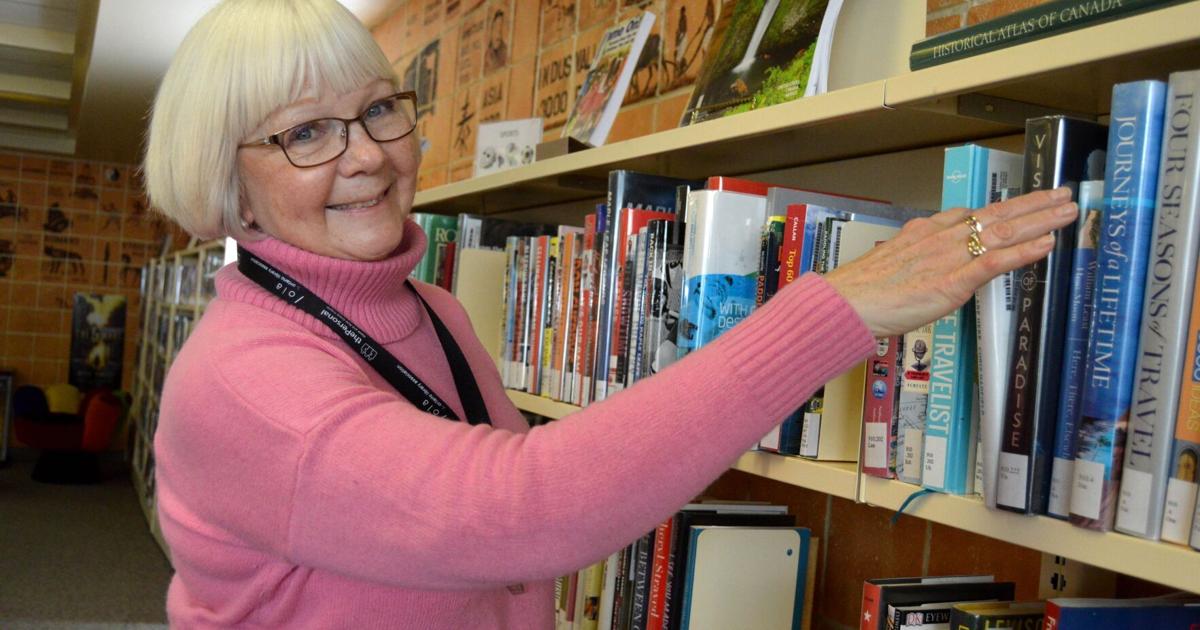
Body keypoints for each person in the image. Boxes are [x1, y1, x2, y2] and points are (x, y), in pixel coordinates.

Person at [143, 0, 1078, 627]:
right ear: (228, 183)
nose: (368, 156)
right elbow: (518, 512)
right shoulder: (245, 382)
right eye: (305, 133)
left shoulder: (430, 310)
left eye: (381, 109)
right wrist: (836, 307)